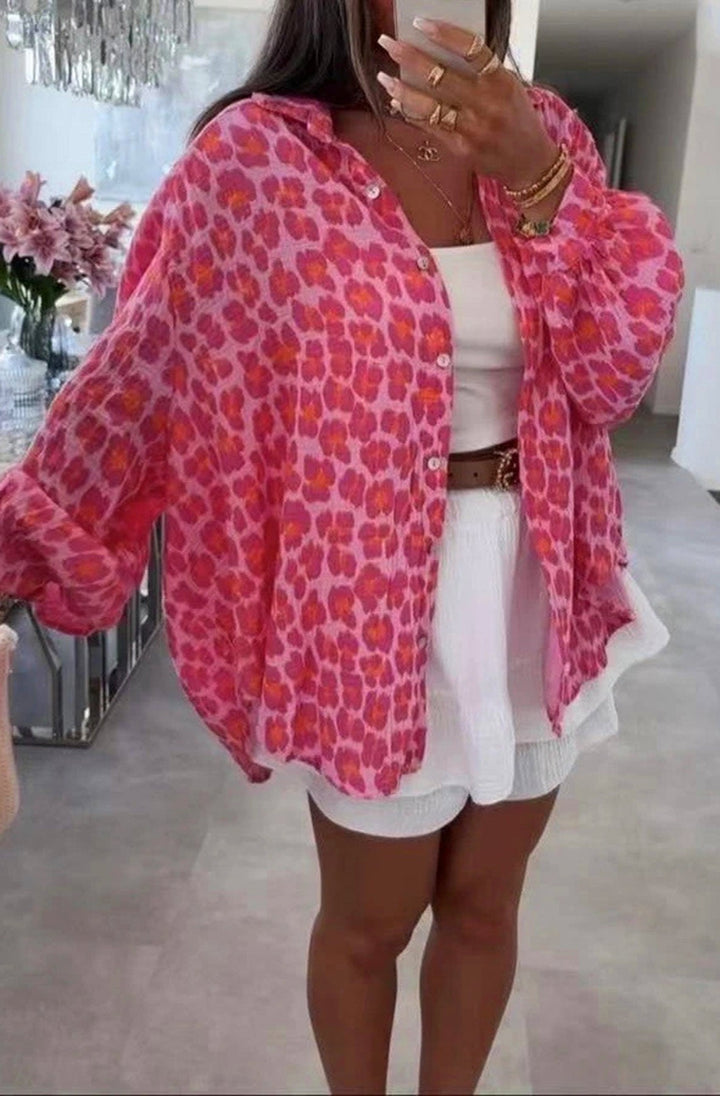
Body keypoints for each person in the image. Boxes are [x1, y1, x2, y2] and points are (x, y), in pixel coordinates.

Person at [0, 0, 684, 1092]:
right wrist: (26, 538)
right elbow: (146, 366)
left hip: (537, 572)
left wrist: (544, 177)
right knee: (371, 924)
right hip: (363, 596)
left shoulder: (544, 129)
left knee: (486, 906)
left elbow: (612, 378)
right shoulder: (257, 160)